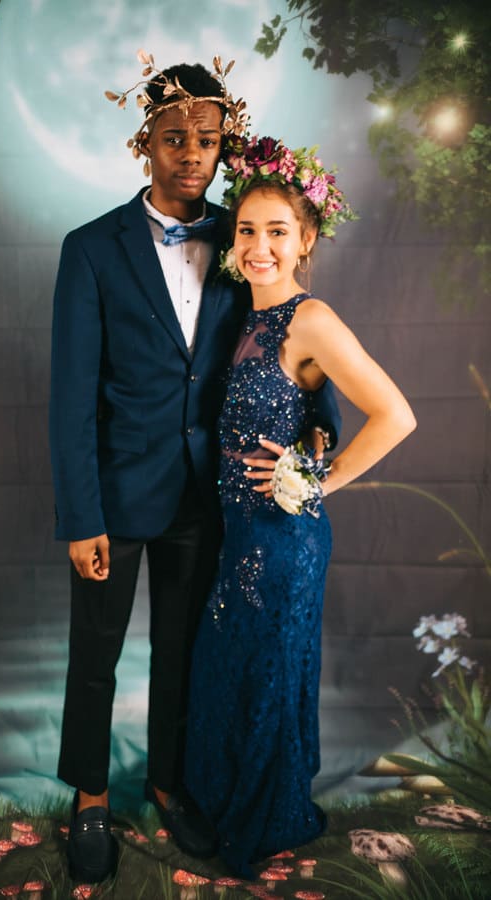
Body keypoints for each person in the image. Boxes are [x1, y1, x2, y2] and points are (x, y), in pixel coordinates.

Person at [49, 58, 340, 884]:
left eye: (206, 141)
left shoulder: (243, 238)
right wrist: (80, 515)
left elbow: (288, 339)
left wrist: (319, 433)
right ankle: (90, 798)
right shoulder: (91, 249)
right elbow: (69, 395)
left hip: (209, 495)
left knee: (181, 650)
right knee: (96, 652)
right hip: (114, 492)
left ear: (222, 147)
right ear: (144, 143)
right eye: (173, 139)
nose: (191, 154)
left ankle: (169, 785)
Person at [185, 136, 417, 879]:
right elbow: (312, 415)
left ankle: (262, 820)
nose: (260, 247)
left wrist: (313, 481)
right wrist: (310, 444)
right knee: (235, 669)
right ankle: (233, 803)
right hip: (239, 536)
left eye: (277, 232)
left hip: (284, 541)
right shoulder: (244, 316)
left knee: (266, 675)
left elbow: (396, 415)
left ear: (306, 239)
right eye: (247, 231)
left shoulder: (309, 318)